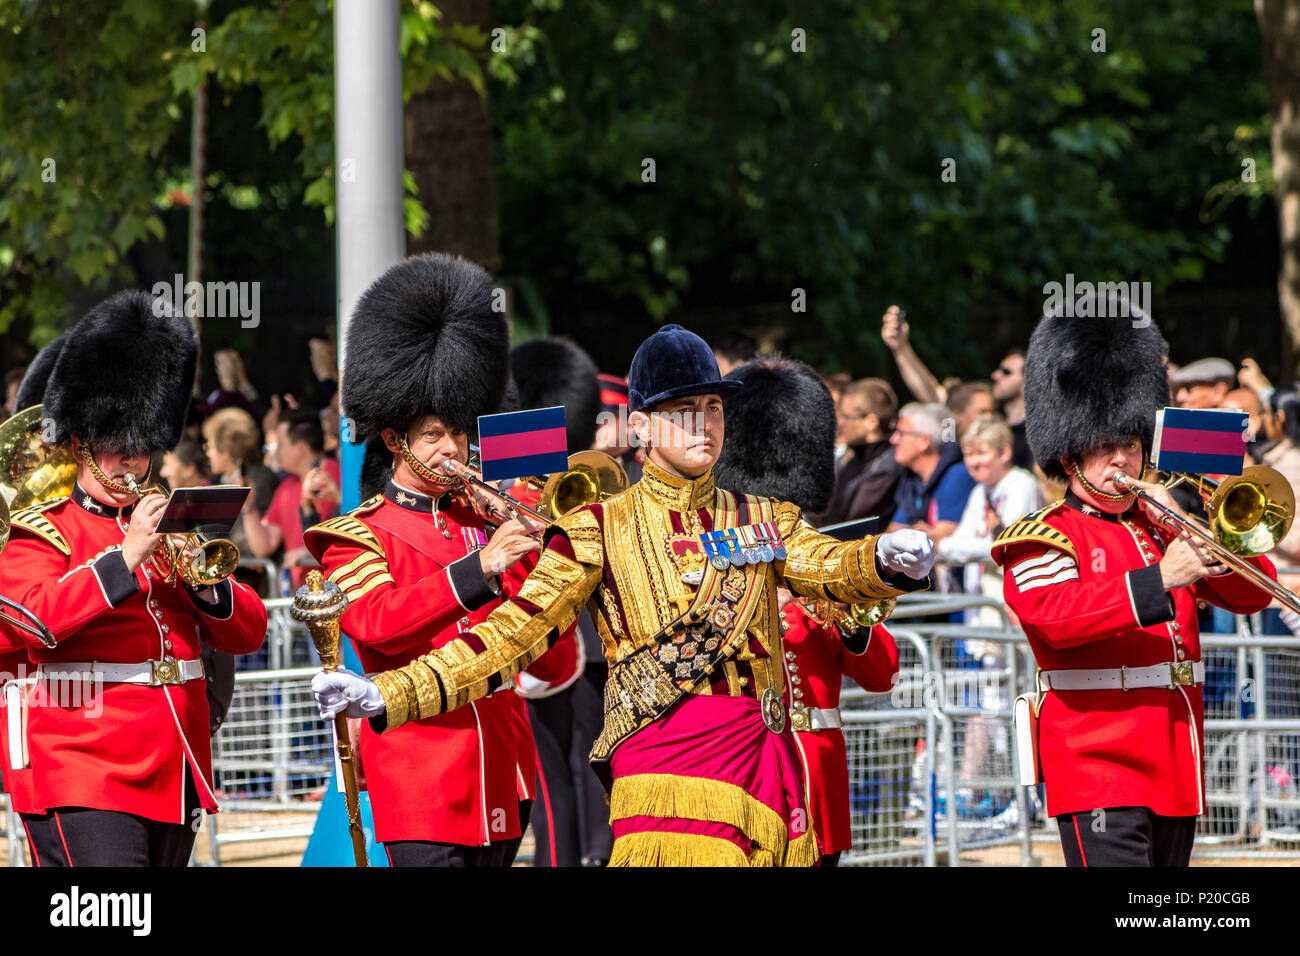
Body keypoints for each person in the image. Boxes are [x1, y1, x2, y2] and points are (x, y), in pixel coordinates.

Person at [314, 321, 937, 867]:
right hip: (669, 775)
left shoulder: (763, 514)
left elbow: (823, 562)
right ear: (640, 426)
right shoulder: (598, 526)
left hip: (770, 771)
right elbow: (511, 635)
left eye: (714, 409)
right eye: (683, 411)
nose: (705, 426)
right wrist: (388, 691)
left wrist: (879, 559)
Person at [303, 254, 578, 867]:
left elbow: (549, 655)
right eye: (432, 434)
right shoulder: (355, 534)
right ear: (396, 439)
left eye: (457, 431)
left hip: (503, 768)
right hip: (420, 773)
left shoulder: (490, 520)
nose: (452, 447)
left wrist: (543, 554)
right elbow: (378, 621)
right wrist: (479, 570)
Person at [990, 311, 1276, 867]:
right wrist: (1160, 578)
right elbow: (1054, 617)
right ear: (1070, 456)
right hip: (1097, 764)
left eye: (1130, 443)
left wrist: (1213, 521)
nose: (1121, 459)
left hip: (1175, 759)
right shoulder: (1044, 535)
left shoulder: (1160, 526)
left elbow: (1255, 595)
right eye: (1103, 447)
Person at [0, 290, 267, 866]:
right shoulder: (42, 531)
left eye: (142, 448)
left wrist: (203, 580)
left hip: (175, 758)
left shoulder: (174, 523)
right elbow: (33, 619)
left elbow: (247, 634)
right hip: (83, 760)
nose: (131, 463)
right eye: (116, 447)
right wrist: (124, 558)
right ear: (80, 446)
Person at [711, 356, 901, 865]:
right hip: (743, 769)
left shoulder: (824, 561)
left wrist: (843, 609)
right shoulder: (711, 563)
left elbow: (881, 674)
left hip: (817, 771)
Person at [507, 337, 615, 867]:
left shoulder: (587, 479)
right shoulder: (510, 488)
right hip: (540, 642)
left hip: (578, 641)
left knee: (585, 760)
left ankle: (590, 854)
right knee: (553, 771)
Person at [243, 406, 341, 591]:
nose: (276, 451)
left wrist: (305, 552)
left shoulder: (333, 475)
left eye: (280, 444)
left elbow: (341, 535)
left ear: (300, 448)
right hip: (299, 603)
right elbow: (264, 546)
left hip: (332, 596)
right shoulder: (286, 487)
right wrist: (249, 508)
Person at [811, 377, 900, 526]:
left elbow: (848, 520)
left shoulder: (886, 465)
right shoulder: (852, 455)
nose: (839, 422)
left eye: (846, 416)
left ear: (871, 422)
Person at [887, 402, 976, 546]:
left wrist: (911, 533)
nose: (893, 439)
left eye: (901, 433)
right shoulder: (911, 478)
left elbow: (943, 536)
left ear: (924, 441)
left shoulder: (957, 474)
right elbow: (893, 530)